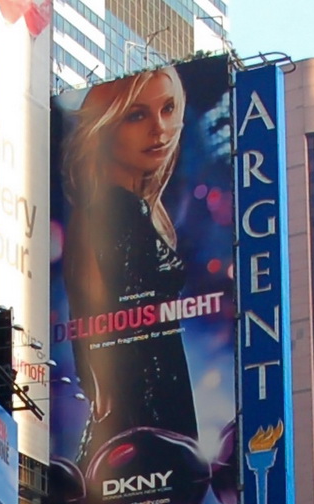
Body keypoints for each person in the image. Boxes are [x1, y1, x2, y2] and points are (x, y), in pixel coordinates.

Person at [59, 65, 196, 467]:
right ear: (103, 129)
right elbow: (99, 323)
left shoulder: (114, 211)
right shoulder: (115, 211)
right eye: (136, 115)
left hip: (139, 415)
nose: (160, 129)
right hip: (145, 413)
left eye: (168, 108)